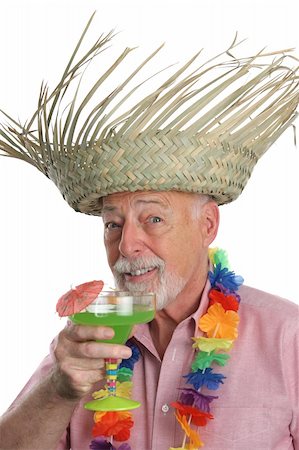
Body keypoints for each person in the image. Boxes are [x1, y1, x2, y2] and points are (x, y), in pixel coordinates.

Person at [0, 15, 298, 450]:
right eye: (112, 224)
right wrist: (59, 392)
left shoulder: (287, 336)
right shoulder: (87, 340)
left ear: (208, 225)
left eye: (153, 219)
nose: (126, 246)